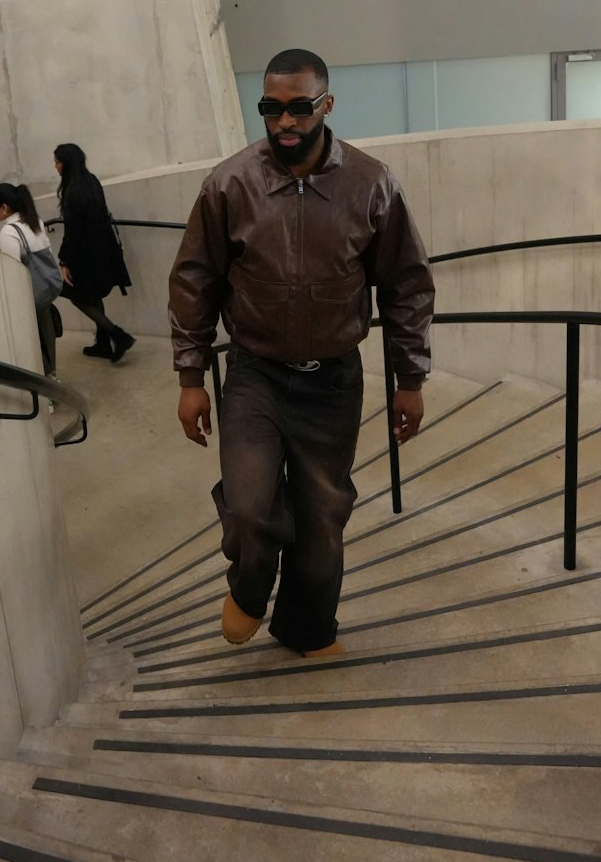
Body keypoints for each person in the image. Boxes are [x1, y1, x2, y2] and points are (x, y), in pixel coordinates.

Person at [169, 48, 434, 658]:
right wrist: (190, 374)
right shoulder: (229, 184)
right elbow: (193, 280)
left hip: (334, 382)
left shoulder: (371, 184)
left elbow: (406, 285)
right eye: (270, 108)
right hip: (255, 375)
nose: (284, 121)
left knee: (322, 520)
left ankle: (307, 627)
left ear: (327, 104)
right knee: (249, 506)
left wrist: (410, 377)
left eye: (298, 108)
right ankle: (251, 585)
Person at [54, 142, 136, 364]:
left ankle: (117, 335)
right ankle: (102, 343)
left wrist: (64, 260)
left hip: (85, 255)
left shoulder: (72, 191)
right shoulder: (91, 181)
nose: (56, 166)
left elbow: (73, 231)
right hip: (103, 249)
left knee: (75, 295)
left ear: (67, 164)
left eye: (58, 162)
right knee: (93, 296)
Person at [0, 181, 59, 377]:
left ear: (5, 207)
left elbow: (13, 271)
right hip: (44, 289)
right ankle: (52, 375)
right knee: (47, 337)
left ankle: (46, 383)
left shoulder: (9, 231)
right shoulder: (35, 220)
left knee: (33, 341)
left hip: (28, 295)